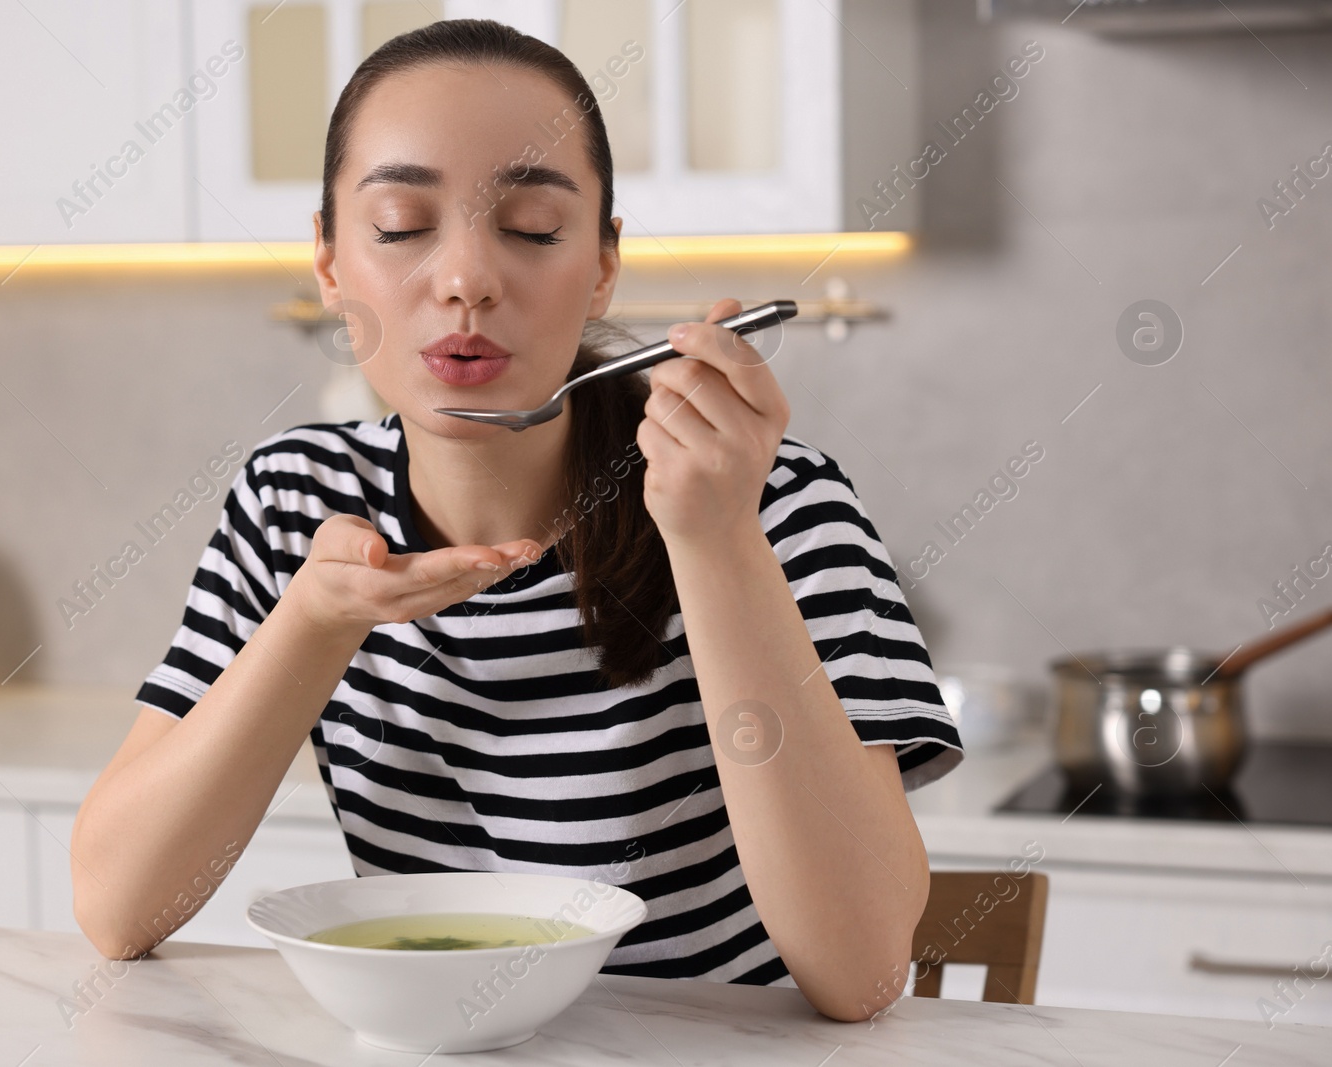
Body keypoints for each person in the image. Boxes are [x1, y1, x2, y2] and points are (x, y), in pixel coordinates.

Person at [71, 18, 961, 1022]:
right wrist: (312, 624)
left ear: (601, 264)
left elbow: (865, 973)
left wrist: (714, 540)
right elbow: (118, 908)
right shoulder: (292, 503)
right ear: (327, 264)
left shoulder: (775, 502)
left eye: (534, 228)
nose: (466, 280)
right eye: (402, 224)